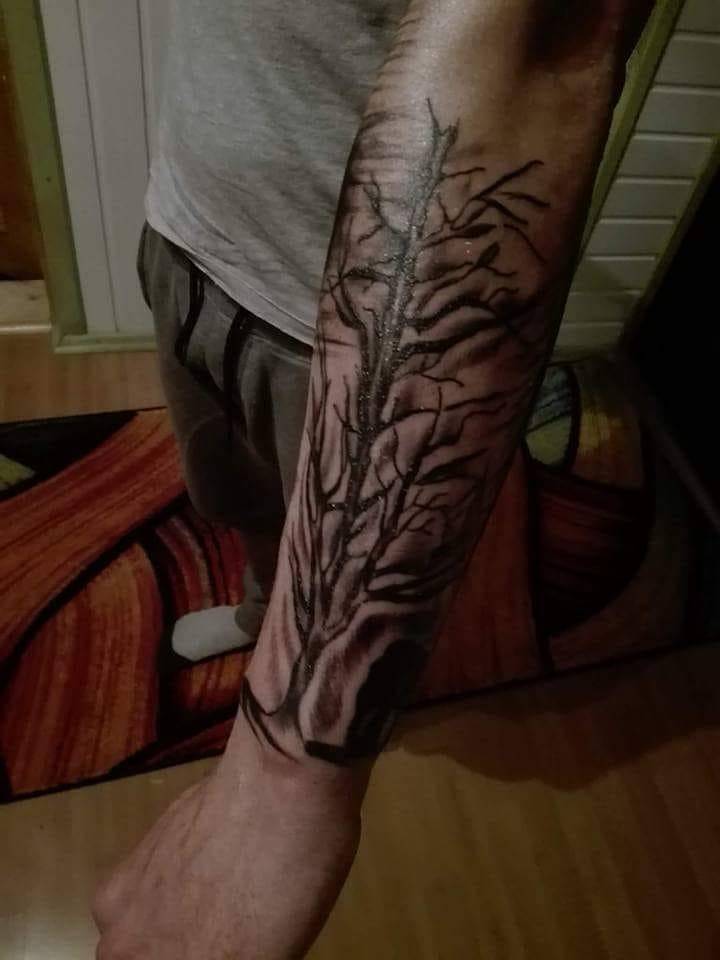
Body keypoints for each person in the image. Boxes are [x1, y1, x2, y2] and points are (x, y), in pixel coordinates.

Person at [94, 0, 654, 956]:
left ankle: (313, 675)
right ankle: (263, 607)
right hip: (191, 220)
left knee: (337, 526)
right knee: (234, 494)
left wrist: (285, 777)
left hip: (348, 324)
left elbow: (537, 47)